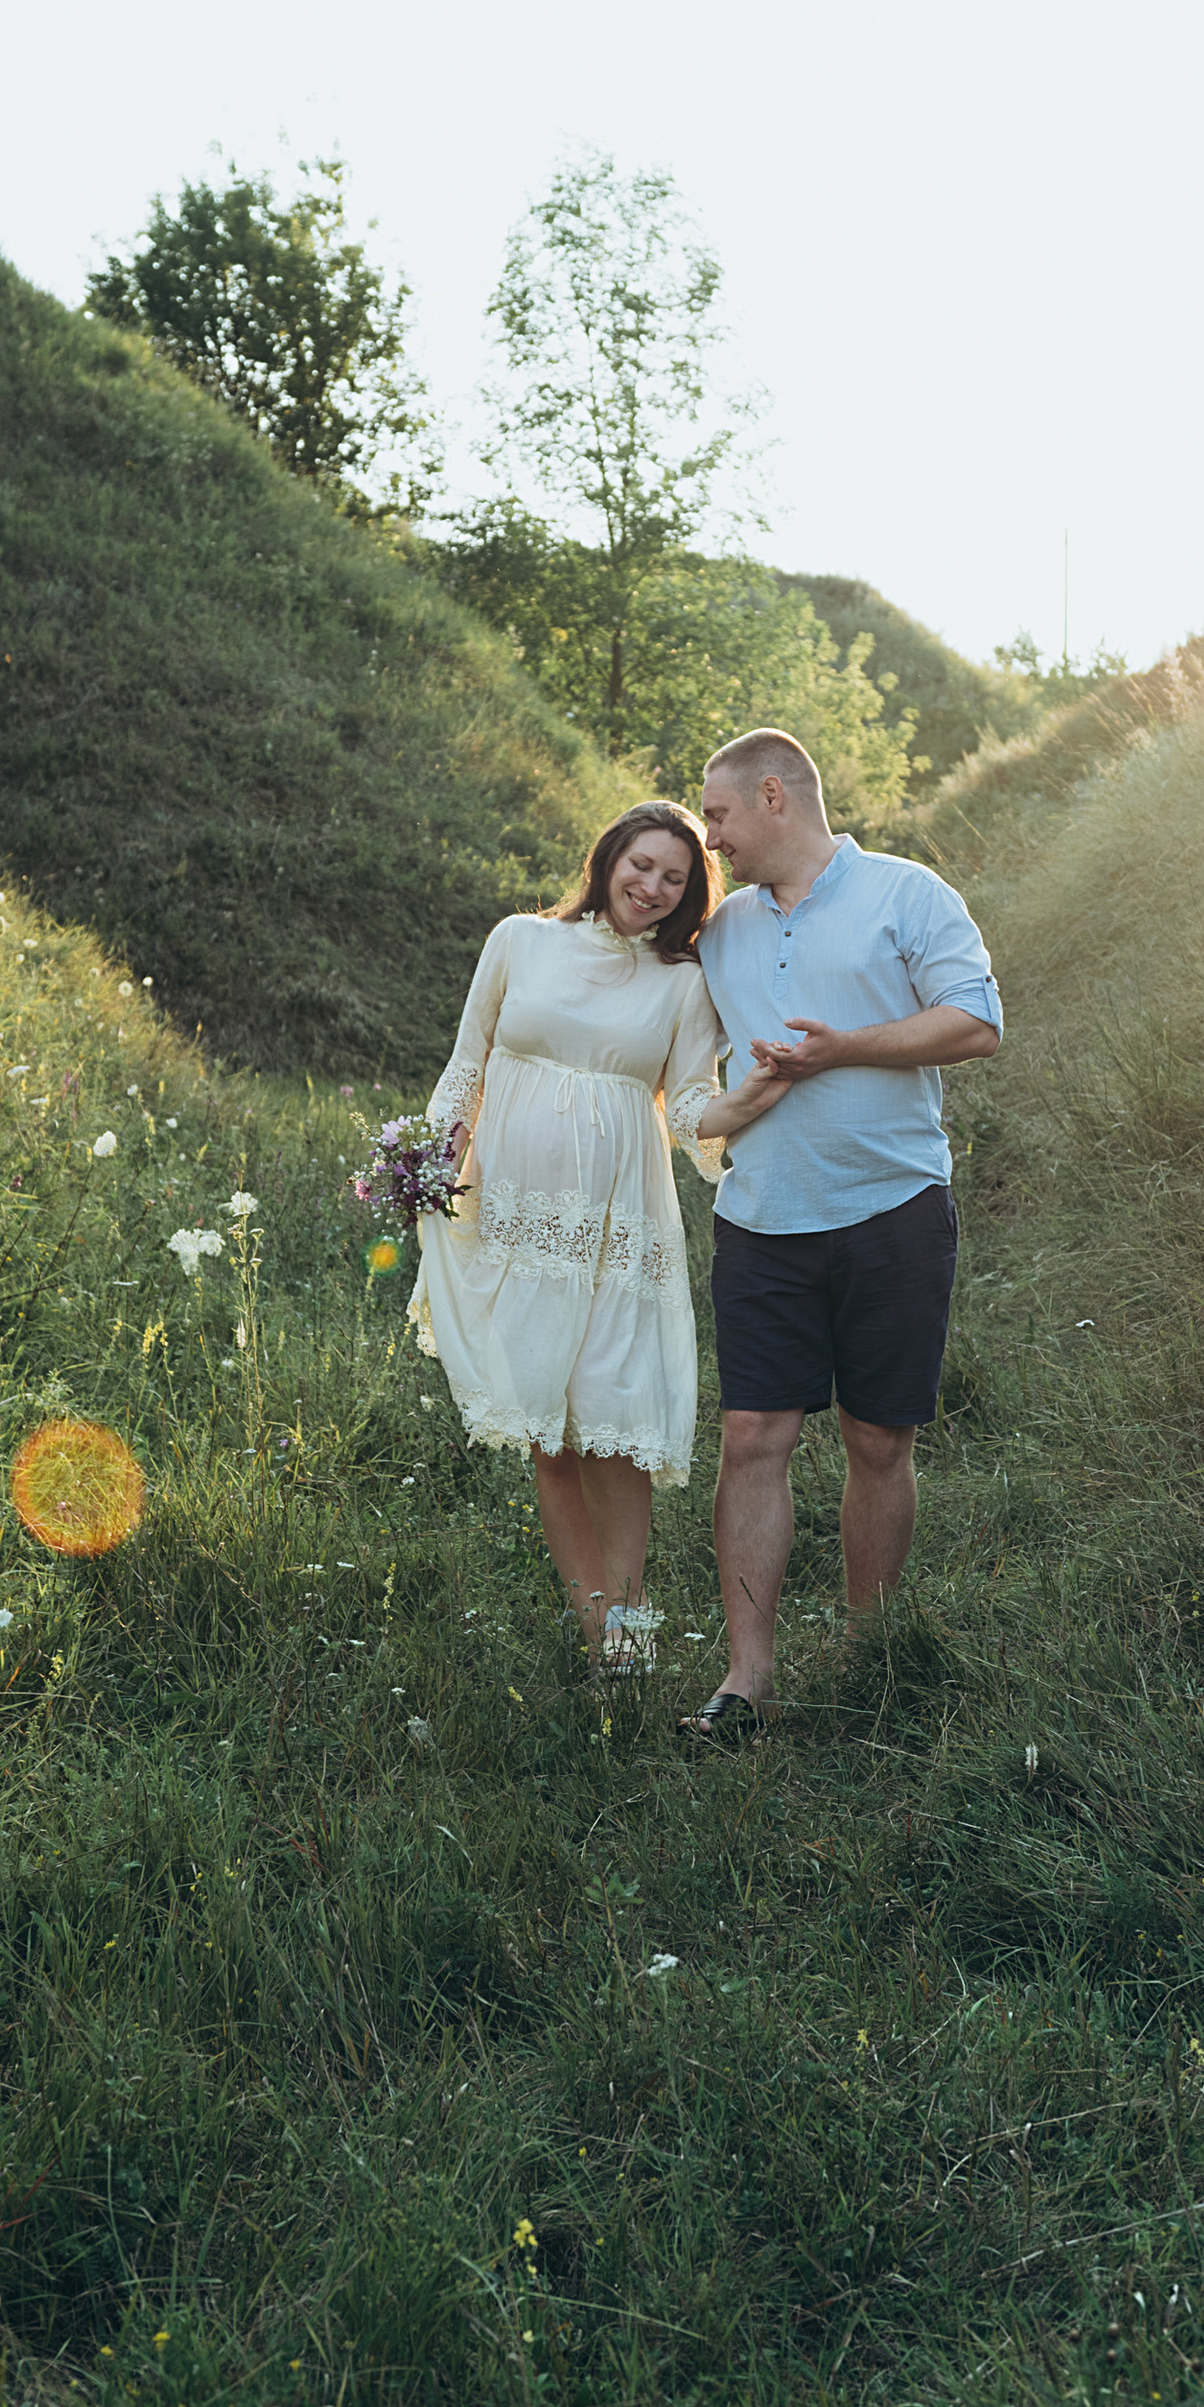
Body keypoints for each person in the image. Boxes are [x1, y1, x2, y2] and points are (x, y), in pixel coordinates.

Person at [411, 801, 790, 1675]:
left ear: (690, 895)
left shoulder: (682, 982)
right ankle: (603, 1639)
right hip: (515, 1222)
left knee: (614, 1428)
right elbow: (467, 1064)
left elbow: (689, 1104)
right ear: (608, 857)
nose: (652, 887)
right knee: (550, 1434)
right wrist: (428, 1162)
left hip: (618, 1229)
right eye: (641, 864)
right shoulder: (519, 940)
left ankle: (632, 1615)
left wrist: (750, 1097)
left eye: (675, 878)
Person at [682, 728, 1003, 1738]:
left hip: (892, 1208)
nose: (710, 835)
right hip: (761, 1220)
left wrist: (843, 1049)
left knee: (876, 1437)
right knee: (751, 1438)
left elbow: (976, 1020)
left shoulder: (907, 893)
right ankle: (746, 1677)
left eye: (719, 813)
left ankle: (873, 1651)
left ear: (773, 795)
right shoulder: (720, 929)